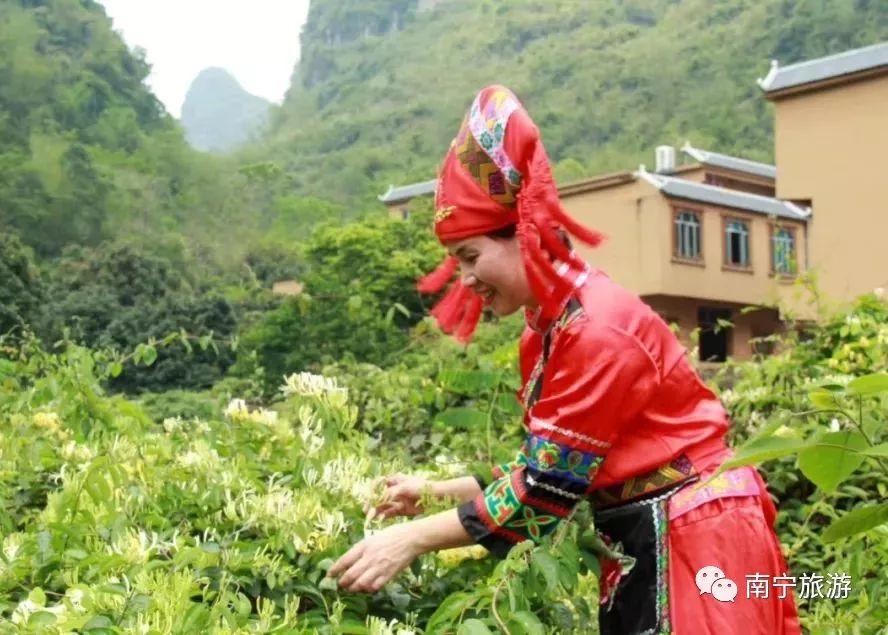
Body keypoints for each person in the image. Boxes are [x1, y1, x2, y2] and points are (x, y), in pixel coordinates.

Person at [326, 85, 800, 634]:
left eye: (472, 256)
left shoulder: (596, 328)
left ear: (524, 236)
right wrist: (434, 492)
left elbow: (546, 488)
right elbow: (558, 461)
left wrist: (410, 539)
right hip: (657, 526)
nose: (467, 278)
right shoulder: (551, 325)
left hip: (694, 530)